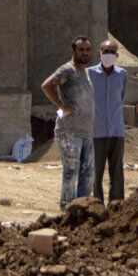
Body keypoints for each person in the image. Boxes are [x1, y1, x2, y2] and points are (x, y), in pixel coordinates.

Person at [40, 36, 95, 209]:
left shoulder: (86, 73)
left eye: (87, 50)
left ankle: (83, 209)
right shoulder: (67, 70)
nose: (84, 53)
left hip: (87, 132)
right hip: (69, 131)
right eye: (81, 49)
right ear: (73, 51)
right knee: (71, 172)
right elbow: (47, 86)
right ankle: (67, 209)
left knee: (88, 173)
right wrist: (62, 106)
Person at [88, 38, 128, 204]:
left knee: (117, 172)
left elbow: (121, 97)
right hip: (96, 131)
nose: (108, 54)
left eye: (112, 52)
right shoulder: (90, 74)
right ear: (99, 53)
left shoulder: (122, 74)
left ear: (117, 55)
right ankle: (96, 205)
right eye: (106, 51)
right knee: (96, 173)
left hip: (116, 131)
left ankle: (117, 206)